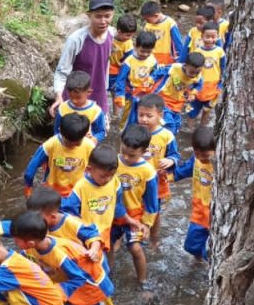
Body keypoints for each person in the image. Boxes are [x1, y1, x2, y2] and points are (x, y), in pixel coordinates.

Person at [9, 211, 128, 305]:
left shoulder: (60, 254)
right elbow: (18, 265)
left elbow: (80, 278)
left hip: (92, 292)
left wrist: (58, 291)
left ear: (30, 242)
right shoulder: (30, 249)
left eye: (16, 240)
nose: (14, 242)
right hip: (68, 293)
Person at [52, 0, 115, 116]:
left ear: (113, 15)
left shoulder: (112, 35)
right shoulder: (76, 39)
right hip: (75, 98)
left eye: (107, 16)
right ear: (89, 15)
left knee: (99, 127)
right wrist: (58, 96)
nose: (103, 21)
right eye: (98, 16)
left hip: (99, 95)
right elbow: (62, 71)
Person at [61, 145, 130, 253]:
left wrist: (129, 220)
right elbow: (69, 211)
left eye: (111, 175)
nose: (108, 179)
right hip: (88, 236)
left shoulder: (115, 182)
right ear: (89, 169)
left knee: (106, 254)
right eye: (103, 176)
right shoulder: (82, 187)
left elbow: (117, 204)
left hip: (105, 231)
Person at [115, 125, 160, 286]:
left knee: (135, 249)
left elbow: (152, 202)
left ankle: (142, 281)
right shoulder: (113, 162)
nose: (126, 157)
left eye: (132, 155)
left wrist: (147, 224)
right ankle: (109, 274)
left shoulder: (148, 171)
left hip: (135, 217)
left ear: (144, 151)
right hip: (113, 214)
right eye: (123, 152)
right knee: (109, 247)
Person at [135, 94, 180, 250]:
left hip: (157, 181)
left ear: (160, 115)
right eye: (141, 115)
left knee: (154, 211)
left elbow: (175, 155)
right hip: (137, 180)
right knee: (134, 207)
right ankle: (136, 236)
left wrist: (170, 161)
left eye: (149, 116)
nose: (144, 119)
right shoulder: (134, 131)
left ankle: (154, 239)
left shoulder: (166, 136)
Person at [24, 113, 95, 198]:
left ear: (84, 135)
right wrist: (28, 187)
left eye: (77, 143)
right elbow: (32, 166)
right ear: (60, 131)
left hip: (77, 191)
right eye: (69, 143)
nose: (72, 146)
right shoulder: (50, 145)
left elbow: (98, 169)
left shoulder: (89, 147)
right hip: (52, 190)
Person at [172, 126, 215, 261]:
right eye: (197, 153)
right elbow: (184, 170)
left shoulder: (219, 165)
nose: (201, 158)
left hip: (214, 212)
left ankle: (207, 265)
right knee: (191, 245)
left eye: (206, 156)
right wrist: (168, 177)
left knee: (211, 249)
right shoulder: (196, 159)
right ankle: (197, 261)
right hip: (199, 210)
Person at [112, 31, 159, 127]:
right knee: (127, 115)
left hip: (145, 93)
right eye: (142, 51)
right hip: (130, 93)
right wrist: (120, 94)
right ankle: (123, 131)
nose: (145, 54)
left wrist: (152, 83)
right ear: (136, 47)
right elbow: (121, 79)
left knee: (143, 114)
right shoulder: (129, 61)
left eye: (148, 52)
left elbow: (155, 75)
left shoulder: (153, 60)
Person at [154, 52, 204, 134]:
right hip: (164, 99)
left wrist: (192, 93)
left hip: (178, 103)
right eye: (191, 72)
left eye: (197, 72)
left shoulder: (198, 76)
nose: (194, 75)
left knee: (176, 126)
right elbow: (159, 72)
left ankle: (163, 136)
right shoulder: (175, 68)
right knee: (170, 125)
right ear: (185, 65)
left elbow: (199, 85)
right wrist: (151, 80)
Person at [188, 22, 228, 125]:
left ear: (218, 37)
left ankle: (202, 128)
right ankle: (190, 128)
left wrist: (221, 84)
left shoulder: (220, 52)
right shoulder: (197, 51)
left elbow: (224, 68)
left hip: (213, 87)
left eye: (213, 37)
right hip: (199, 85)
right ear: (202, 36)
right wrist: (190, 85)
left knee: (207, 110)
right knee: (192, 111)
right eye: (207, 37)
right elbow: (192, 68)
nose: (210, 40)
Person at [54, 70, 107, 141]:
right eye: (70, 96)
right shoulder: (63, 108)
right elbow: (56, 130)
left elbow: (101, 132)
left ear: (89, 92)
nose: (74, 100)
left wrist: (94, 138)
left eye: (78, 98)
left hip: (87, 145)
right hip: (66, 144)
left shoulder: (96, 111)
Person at [140, 0, 185, 65]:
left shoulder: (170, 24)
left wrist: (180, 59)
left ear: (156, 15)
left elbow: (178, 42)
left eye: (148, 20)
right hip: (151, 57)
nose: (147, 22)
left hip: (166, 58)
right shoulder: (148, 25)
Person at [108, 13, 137, 93]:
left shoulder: (128, 43)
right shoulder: (109, 37)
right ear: (119, 31)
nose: (130, 38)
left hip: (117, 71)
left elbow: (129, 59)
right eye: (128, 35)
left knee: (115, 90)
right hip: (106, 68)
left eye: (132, 36)